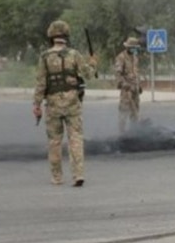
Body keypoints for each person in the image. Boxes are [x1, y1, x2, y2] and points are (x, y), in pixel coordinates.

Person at [32, 20, 97, 186]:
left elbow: (41, 83)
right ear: (66, 36)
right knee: (75, 138)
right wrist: (93, 63)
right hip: (72, 102)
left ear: (51, 36)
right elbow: (89, 75)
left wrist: (36, 105)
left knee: (54, 141)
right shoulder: (74, 55)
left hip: (53, 104)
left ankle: (57, 177)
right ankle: (78, 174)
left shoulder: (45, 57)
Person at [113, 36, 143, 135]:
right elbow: (118, 74)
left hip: (135, 89)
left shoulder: (135, 57)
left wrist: (139, 85)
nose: (134, 50)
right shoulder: (121, 57)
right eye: (133, 48)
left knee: (135, 112)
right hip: (126, 90)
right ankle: (122, 133)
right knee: (124, 111)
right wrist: (124, 84)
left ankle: (134, 132)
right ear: (128, 47)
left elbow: (136, 72)